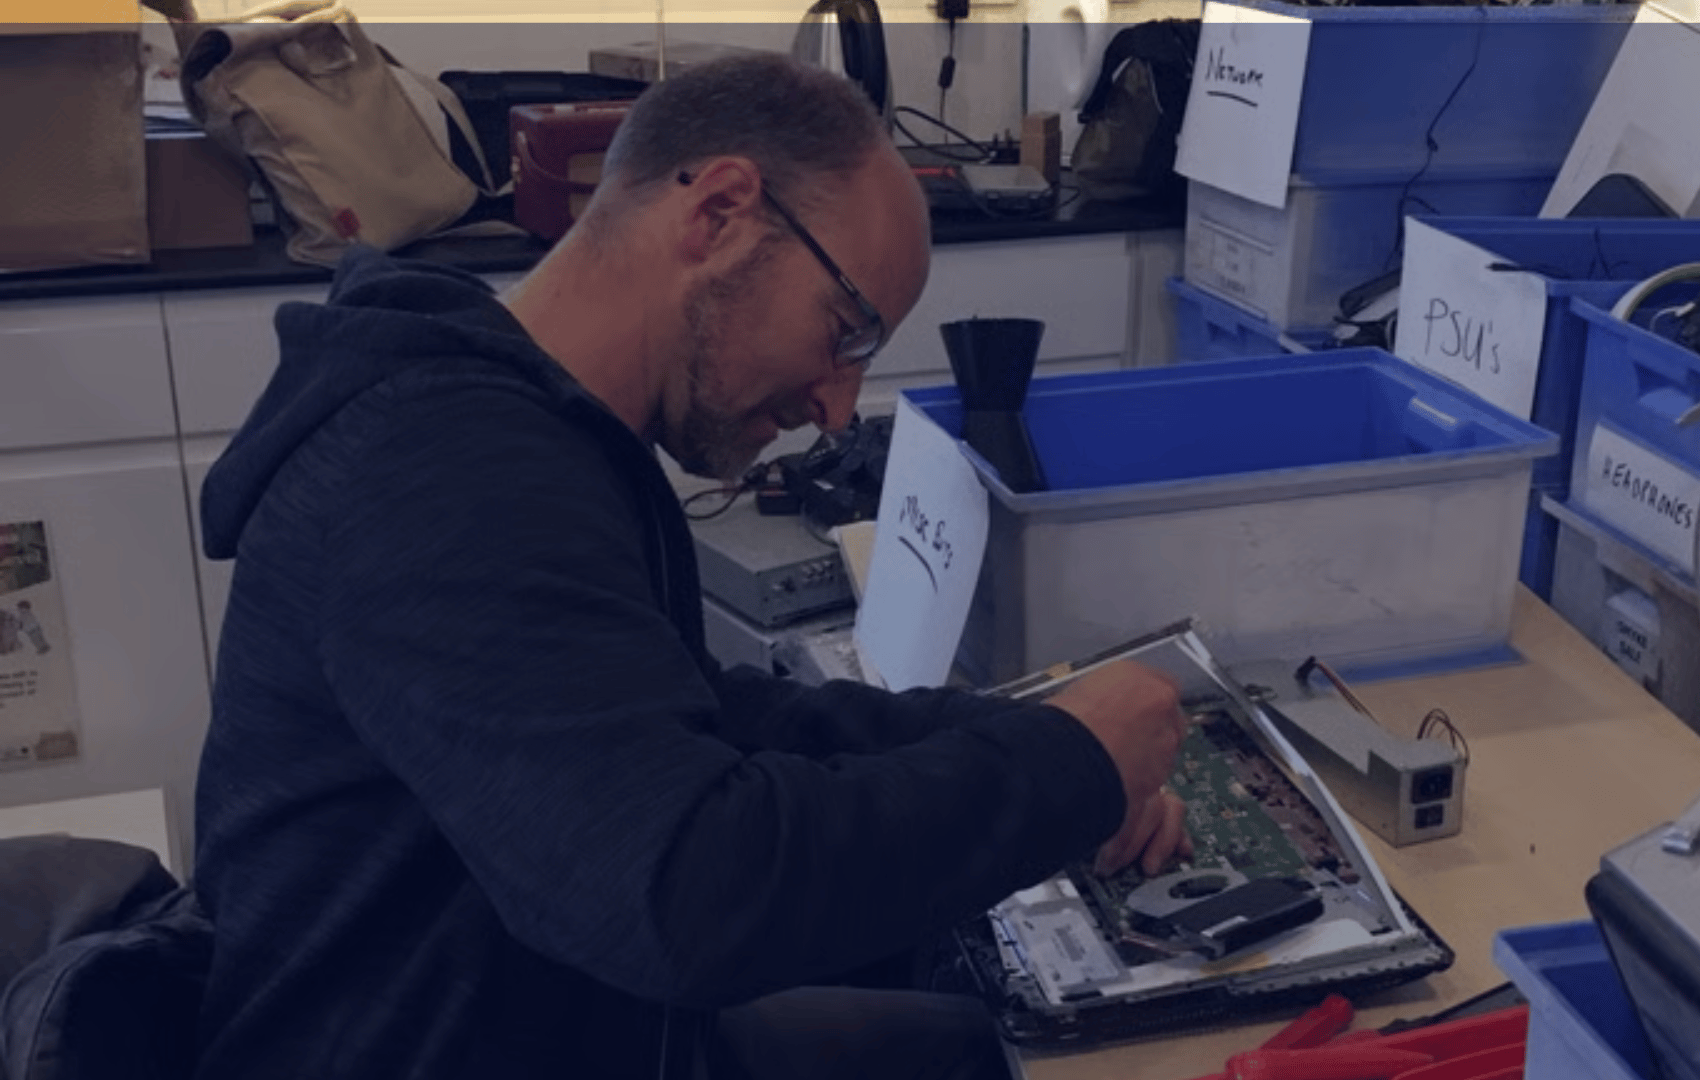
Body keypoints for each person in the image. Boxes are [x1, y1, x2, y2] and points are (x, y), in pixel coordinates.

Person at [189, 53, 1191, 1080]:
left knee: (981, 1036)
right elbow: (681, 894)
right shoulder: (443, 471)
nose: (838, 410)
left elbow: (702, 724)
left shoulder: (525, 431)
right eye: (845, 333)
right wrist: (1064, 768)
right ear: (718, 215)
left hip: (573, 1019)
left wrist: (1039, 737)